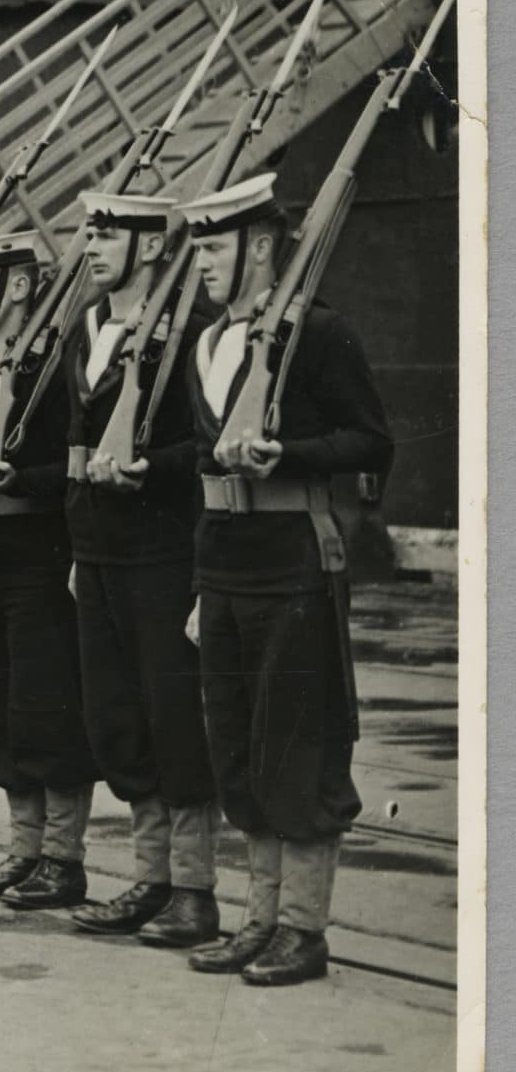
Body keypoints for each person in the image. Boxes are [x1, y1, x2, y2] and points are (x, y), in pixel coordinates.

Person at [178, 174, 391, 986]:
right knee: (236, 744)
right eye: (197, 244)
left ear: (260, 247)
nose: (200, 260)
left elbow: (370, 442)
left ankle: (303, 928)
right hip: (223, 560)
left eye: (215, 244)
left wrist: (290, 456)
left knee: (296, 744)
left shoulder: (318, 332)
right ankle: (257, 918)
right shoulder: (207, 341)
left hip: (294, 559)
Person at [65, 192, 223, 945]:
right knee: (116, 719)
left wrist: (145, 470)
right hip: (97, 553)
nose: (93, 245)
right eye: (90, 232)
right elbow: (76, 442)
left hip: (160, 553)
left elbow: (203, 449)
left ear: (154, 246)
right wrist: (76, 547)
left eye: (112, 233)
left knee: (174, 721)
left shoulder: (186, 334)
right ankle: (149, 877)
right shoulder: (88, 329)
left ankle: (192, 888)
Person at [0, 232, 96, 910]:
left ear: (18, 289)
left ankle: (63, 858)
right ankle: (24, 849)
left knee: (46, 708)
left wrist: (20, 478)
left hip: (37, 552)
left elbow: (73, 463)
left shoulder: (54, 368)